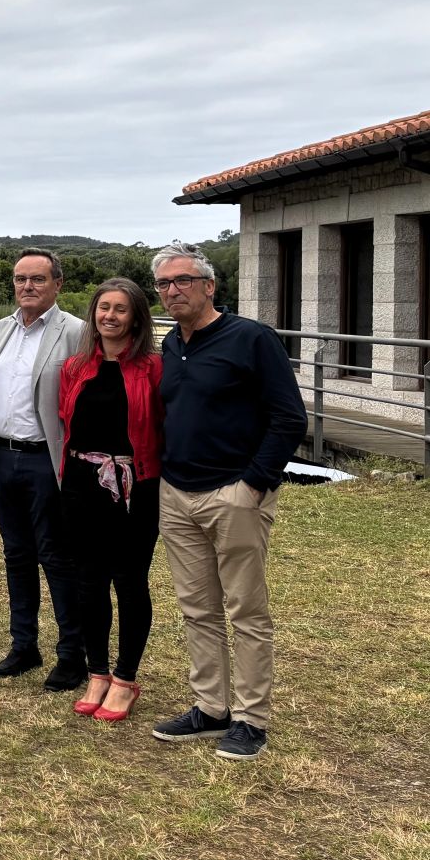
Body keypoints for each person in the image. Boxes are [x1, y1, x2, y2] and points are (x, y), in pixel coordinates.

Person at [149, 241, 306, 761]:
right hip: (178, 494)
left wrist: (253, 484)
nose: (173, 290)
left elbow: (289, 417)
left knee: (246, 611)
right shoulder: (172, 344)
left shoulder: (251, 338)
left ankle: (251, 718)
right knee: (198, 610)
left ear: (209, 286)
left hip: (233, 494)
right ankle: (210, 708)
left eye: (183, 280)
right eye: (164, 283)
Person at [0, 248, 86, 690]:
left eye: (37, 279)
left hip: (47, 460)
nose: (27, 286)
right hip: (3, 458)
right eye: (20, 279)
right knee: (16, 555)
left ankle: (71, 654)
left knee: (56, 557)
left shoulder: (75, 332)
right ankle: (24, 645)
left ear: (57, 284)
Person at [57, 279, 163, 722]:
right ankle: (97, 672)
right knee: (88, 582)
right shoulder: (75, 367)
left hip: (134, 488)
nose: (110, 316)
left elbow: (162, 426)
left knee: (129, 581)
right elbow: (66, 422)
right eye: (104, 307)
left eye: (121, 309)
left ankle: (124, 678)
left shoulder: (153, 368)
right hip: (80, 482)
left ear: (136, 318)